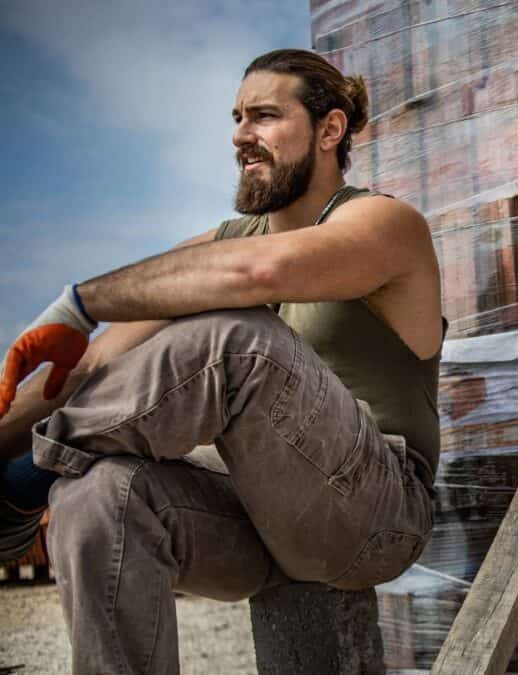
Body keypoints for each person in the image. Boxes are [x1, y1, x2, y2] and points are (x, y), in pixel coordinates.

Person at [0, 48, 443, 673]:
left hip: (374, 514)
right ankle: (16, 493)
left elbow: (258, 273)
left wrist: (79, 302)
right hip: (258, 517)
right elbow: (93, 366)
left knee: (238, 337)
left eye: (263, 115)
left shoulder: (383, 222)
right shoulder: (227, 242)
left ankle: (20, 488)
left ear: (330, 129)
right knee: (99, 495)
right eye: (237, 118)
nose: (241, 136)